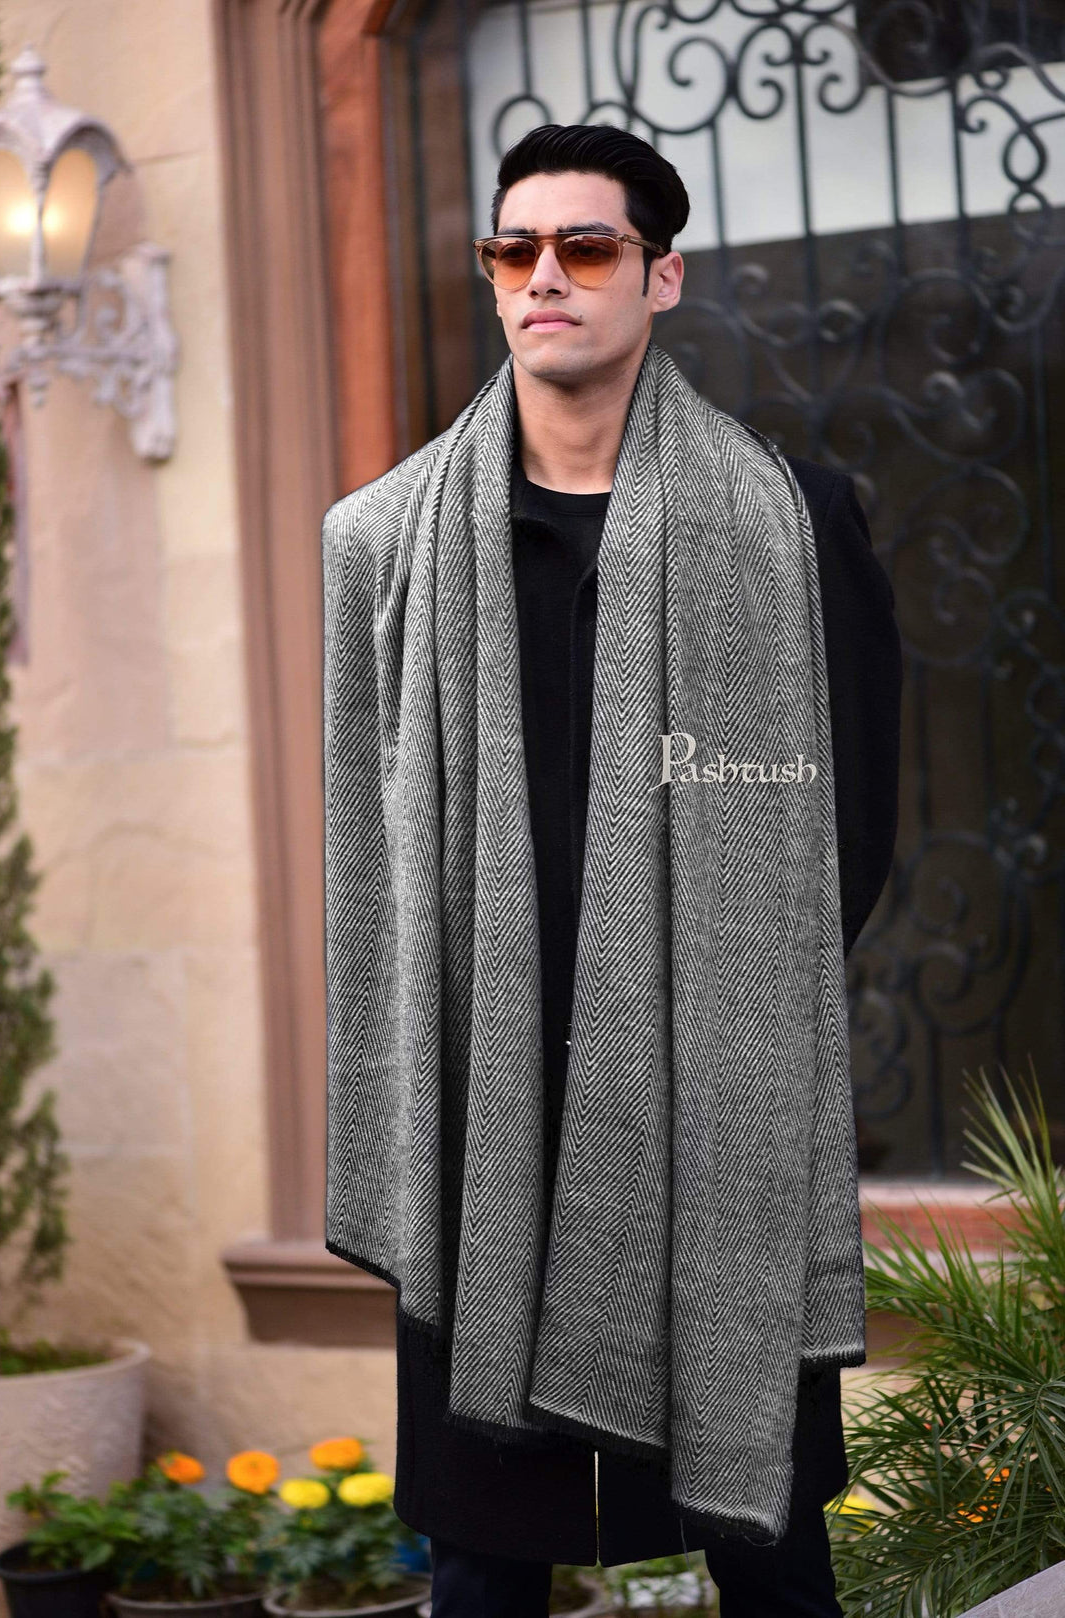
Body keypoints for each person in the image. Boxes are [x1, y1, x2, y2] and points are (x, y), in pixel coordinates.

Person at [324, 123, 902, 1618]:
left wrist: (710, 1023)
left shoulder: (795, 522)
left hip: (718, 1116)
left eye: (586, 247)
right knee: (484, 1562)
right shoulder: (384, 545)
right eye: (514, 249)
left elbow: (845, 830)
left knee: (772, 1556)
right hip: (485, 1116)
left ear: (662, 276)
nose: (545, 278)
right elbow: (370, 859)